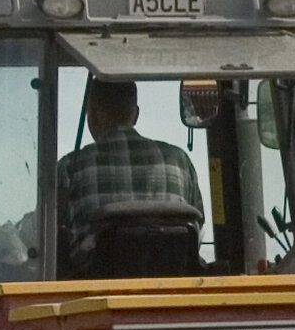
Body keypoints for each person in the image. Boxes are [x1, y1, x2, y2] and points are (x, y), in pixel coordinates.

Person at [54, 77, 204, 273]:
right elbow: (197, 231)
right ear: (136, 115)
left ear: (91, 115)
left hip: (91, 293)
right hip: (171, 288)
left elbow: (50, 236)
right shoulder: (179, 161)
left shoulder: (70, 167)